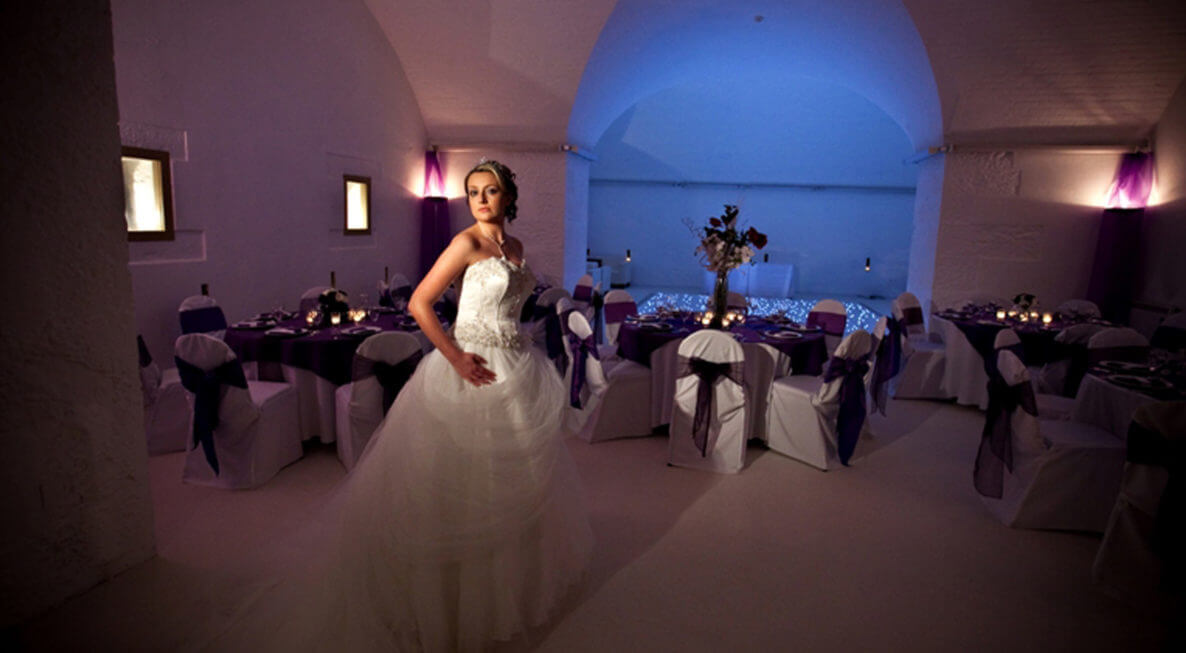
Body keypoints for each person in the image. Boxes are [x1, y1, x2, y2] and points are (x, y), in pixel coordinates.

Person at [313, 159, 593, 651]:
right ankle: (451, 599)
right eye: (473, 192)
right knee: (463, 479)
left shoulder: (518, 248)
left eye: (491, 191)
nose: (481, 199)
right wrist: (457, 357)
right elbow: (420, 302)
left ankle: (508, 585)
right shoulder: (465, 243)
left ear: (508, 197)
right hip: (470, 365)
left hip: (516, 366)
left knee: (517, 477)